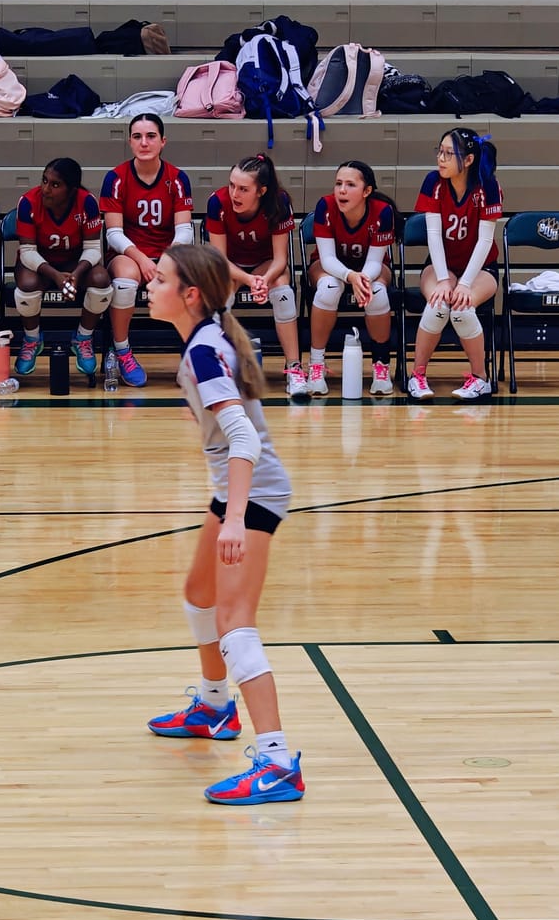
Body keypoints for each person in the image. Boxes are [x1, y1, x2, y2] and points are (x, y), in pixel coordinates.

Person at [142, 243, 304, 805]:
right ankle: (215, 707)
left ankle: (278, 764)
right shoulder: (207, 337)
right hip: (233, 489)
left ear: (190, 295)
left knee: (235, 624)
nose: (149, 284)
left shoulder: (204, 354)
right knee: (199, 595)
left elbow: (245, 439)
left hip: (254, 493)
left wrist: (235, 519)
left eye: (160, 279)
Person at [94, 113, 193, 386]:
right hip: (128, 254)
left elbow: (184, 230)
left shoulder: (177, 178)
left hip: (167, 253)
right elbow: (113, 233)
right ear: (130, 141)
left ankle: (191, 357)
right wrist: (143, 260)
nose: (144, 142)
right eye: (137, 137)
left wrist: (167, 259)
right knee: (125, 280)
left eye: (151, 136)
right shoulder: (116, 178)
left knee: (191, 280)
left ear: (163, 141)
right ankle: (122, 351)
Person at [407, 127, 500, 403]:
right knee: (438, 305)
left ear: (468, 160)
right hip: (441, 265)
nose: (441, 158)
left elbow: (485, 241)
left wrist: (466, 284)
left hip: (481, 268)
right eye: (439, 151)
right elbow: (433, 235)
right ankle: (417, 376)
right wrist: (444, 279)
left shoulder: (488, 186)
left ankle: (480, 379)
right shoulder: (433, 182)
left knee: (462, 309)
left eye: (449, 153)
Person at [204, 154, 300, 394]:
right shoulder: (217, 202)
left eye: (243, 189)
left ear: (261, 191)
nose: (234, 194)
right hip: (230, 265)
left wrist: (264, 281)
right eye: (232, 185)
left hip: (266, 265)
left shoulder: (279, 202)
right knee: (219, 292)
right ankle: (211, 367)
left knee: (283, 289)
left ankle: (294, 368)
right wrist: (249, 280)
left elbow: (280, 259)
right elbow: (220, 260)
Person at [307, 161, 398, 396]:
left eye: (350, 185)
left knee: (377, 293)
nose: (342, 190)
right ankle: (316, 365)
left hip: (370, 269)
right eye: (338, 183)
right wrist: (351, 276)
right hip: (329, 268)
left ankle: (381, 367)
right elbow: (327, 259)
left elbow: (375, 262)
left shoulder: (382, 211)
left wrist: (362, 279)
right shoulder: (326, 206)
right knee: (329, 287)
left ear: (367, 191)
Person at [11, 158, 109, 376]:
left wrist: (75, 274)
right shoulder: (28, 202)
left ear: (71, 189)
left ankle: (83, 338)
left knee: (101, 279)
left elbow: (94, 249)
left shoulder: (87, 202)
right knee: (27, 284)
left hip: (74, 261)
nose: (46, 189)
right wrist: (56, 276)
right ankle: (32, 339)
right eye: (44, 180)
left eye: (55, 184)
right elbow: (27, 252)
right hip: (39, 262)